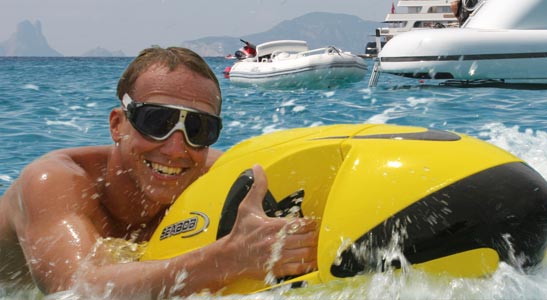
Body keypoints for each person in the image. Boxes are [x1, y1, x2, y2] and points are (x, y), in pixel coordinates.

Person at [0, 46, 318, 298]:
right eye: (156, 122)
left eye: (198, 128)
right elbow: (78, 290)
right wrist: (225, 259)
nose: (176, 149)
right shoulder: (53, 182)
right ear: (117, 124)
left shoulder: (215, 173)